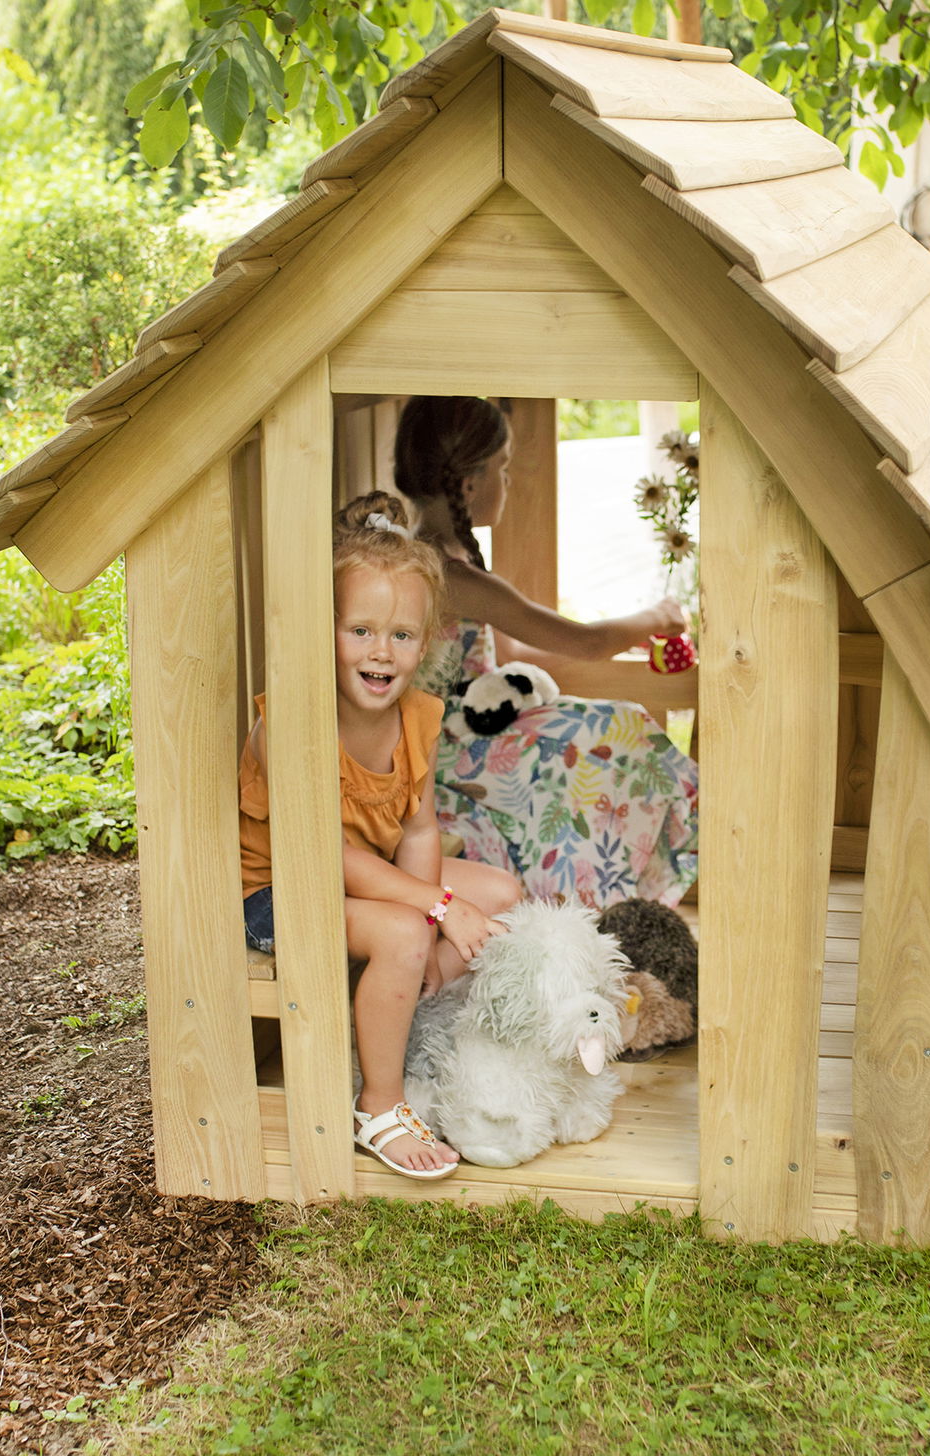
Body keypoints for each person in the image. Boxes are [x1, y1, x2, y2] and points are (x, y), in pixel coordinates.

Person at [237, 492, 522, 1181]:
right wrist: (433, 911)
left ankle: (399, 1009)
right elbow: (326, 860)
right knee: (405, 929)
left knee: (501, 892)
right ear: (323, 631)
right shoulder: (293, 722)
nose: (381, 652)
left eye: (401, 635)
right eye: (360, 630)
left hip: (365, 878)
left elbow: (419, 828)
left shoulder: (418, 716)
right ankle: (380, 1104)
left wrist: (436, 901)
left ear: (425, 645)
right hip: (282, 889)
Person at [394, 396, 699, 909]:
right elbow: (582, 640)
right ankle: (594, 902)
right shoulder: (448, 575)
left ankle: (603, 898)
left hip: (473, 726)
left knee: (603, 726)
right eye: (503, 468)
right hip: (444, 751)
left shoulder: (445, 556)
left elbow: (513, 654)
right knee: (623, 730)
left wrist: (628, 636)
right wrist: (657, 617)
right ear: (469, 482)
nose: (508, 482)